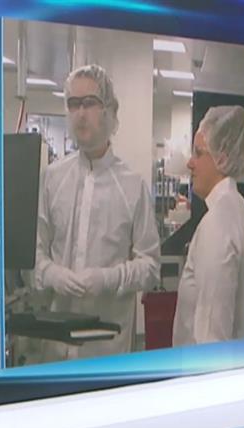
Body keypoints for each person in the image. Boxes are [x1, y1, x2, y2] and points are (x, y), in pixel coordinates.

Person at [32, 64, 161, 361]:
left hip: (107, 350)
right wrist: (51, 273)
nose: (80, 113)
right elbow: (34, 252)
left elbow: (150, 266)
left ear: (109, 110)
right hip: (56, 346)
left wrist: (109, 278)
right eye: (73, 103)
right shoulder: (52, 179)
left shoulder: (132, 186)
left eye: (89, 102)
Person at [172, 106, 244, 346]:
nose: (190, 163)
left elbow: (212, 335)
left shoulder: (218, 222)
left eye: (198, 153)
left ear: (222, 158)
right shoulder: (236, 206)